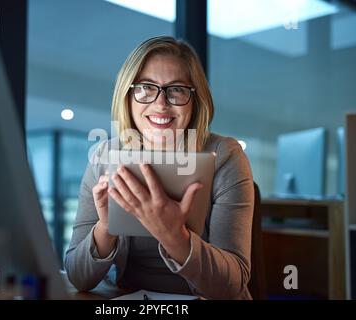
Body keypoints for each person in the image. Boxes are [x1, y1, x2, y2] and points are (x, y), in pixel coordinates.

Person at [65, 36, 254, 299]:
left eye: (177, 89)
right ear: (127, 96)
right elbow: (77, 276)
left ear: (194, 99)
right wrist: (106, 229)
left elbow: (232, 285)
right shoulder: (105, 155)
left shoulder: (225, 156)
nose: (161, 103)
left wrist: (175, 237)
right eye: (146, 87)